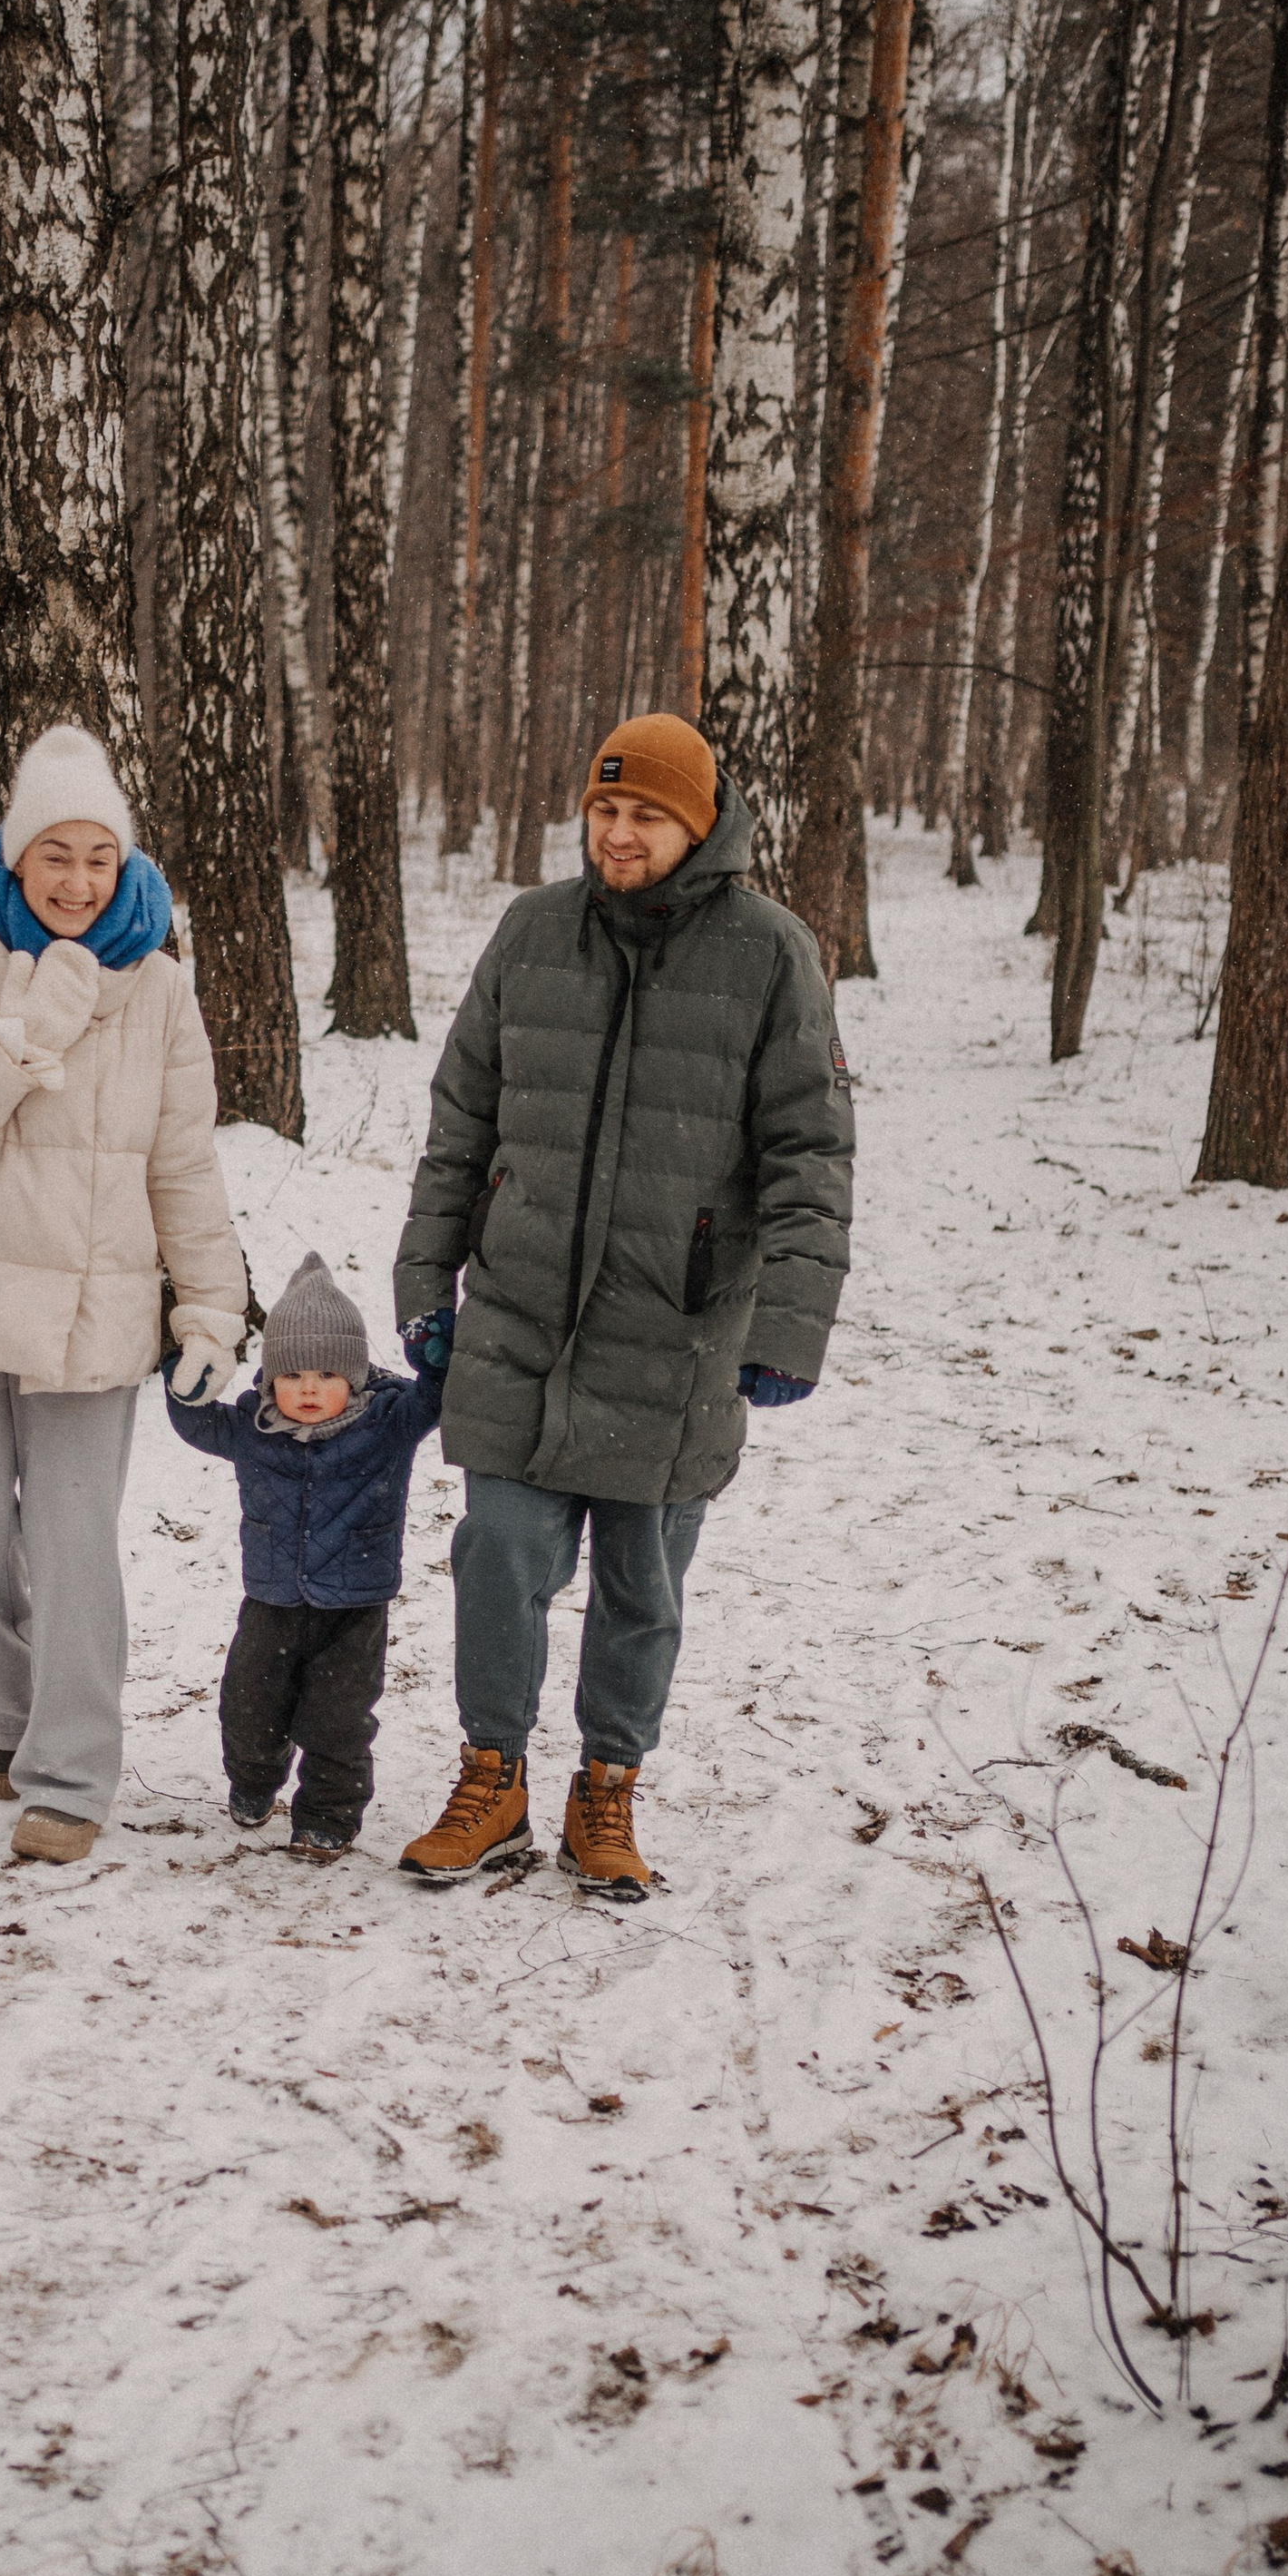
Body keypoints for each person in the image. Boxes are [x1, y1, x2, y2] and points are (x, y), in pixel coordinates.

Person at [393, 711, 853, 1901]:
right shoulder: (532, 934)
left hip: (677, 1330)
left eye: (646, 813)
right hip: (521, 1312)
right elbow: (461, 1128)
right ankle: (492, 1775)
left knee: (642, 1583)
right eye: (604, 809)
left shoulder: (770, 954)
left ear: (698, 826)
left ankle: (607, 1787)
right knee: (498, 1549)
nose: (619, 832)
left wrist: (789, 1325)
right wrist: (421, 1283)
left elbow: (811, 1156)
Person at [0, 724, 247, 1864]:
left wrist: (210, 1304)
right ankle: (9, 1720)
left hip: (92, 1303)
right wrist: (18, 1041)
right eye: (54, 856)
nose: (78, 882)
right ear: (13, 858)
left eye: (98, 858)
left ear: (123, 864)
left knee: (75, 1537)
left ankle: (70, 1775)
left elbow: (184, 1161)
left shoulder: (161, 988)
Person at [166, 1251, 445, 1863]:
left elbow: (434, 1401)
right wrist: (181, 1377)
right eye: (292, 1376)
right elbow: (196, 1423)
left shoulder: (386, 1423)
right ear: (270, 1381)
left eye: (326, 1373)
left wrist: (435, 1361)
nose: (310, 1388)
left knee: (338, 1718)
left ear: (355, 1375)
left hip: (355, 1607)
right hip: (270, 1600)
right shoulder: (252, 1428)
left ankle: (327, 1815)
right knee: (248, 1702)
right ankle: (254, 1780)